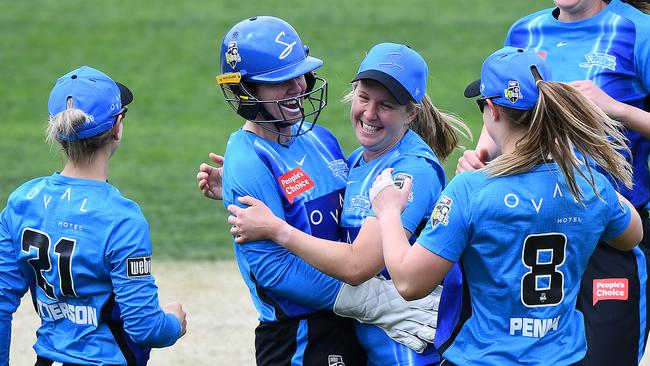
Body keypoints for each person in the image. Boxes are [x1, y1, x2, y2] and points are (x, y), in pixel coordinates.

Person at [370, 46, 643, 365]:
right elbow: (631, 235)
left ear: (493, 110)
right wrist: (572, 167)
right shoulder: (589, 186)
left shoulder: (470, 191)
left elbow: (409, 282)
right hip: (564, 358)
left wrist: (388, 213)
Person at [206, 16, 442, 365]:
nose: (298, 87)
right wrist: (375, 302)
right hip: (299, 336)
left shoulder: (320, 139)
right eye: (280, 81)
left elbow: (351, 210)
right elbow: (274, 271)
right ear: (246, 91)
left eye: (299, 74)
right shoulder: (246, 158)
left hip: (350, 325)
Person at [456, 2, 650, 364]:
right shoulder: (524, 31)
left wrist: (618, 109)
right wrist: (481, 157)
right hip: (525, 230)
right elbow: (503, 108)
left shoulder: (638, 32)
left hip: (609, 229)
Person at [0, 66, 187, 366]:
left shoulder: (22, 202)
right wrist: (174, 323)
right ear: (117, 127)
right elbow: (145, 328)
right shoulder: (122, 220)